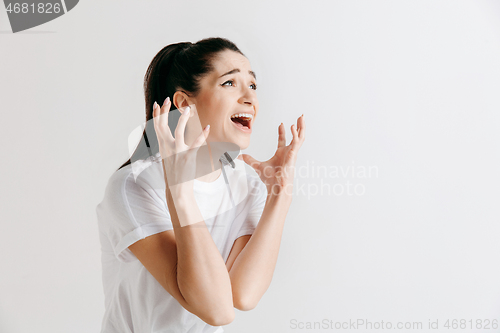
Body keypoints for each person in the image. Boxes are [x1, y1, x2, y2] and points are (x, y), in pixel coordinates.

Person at [95, 37, 306, 333]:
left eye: (253, 85)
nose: (249, 98)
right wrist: (180, 194)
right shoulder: (136, 184)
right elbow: (216, 310)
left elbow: (244, 295)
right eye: (230, 83)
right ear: (184, 103)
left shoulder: (247, 185)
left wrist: (280, 196)